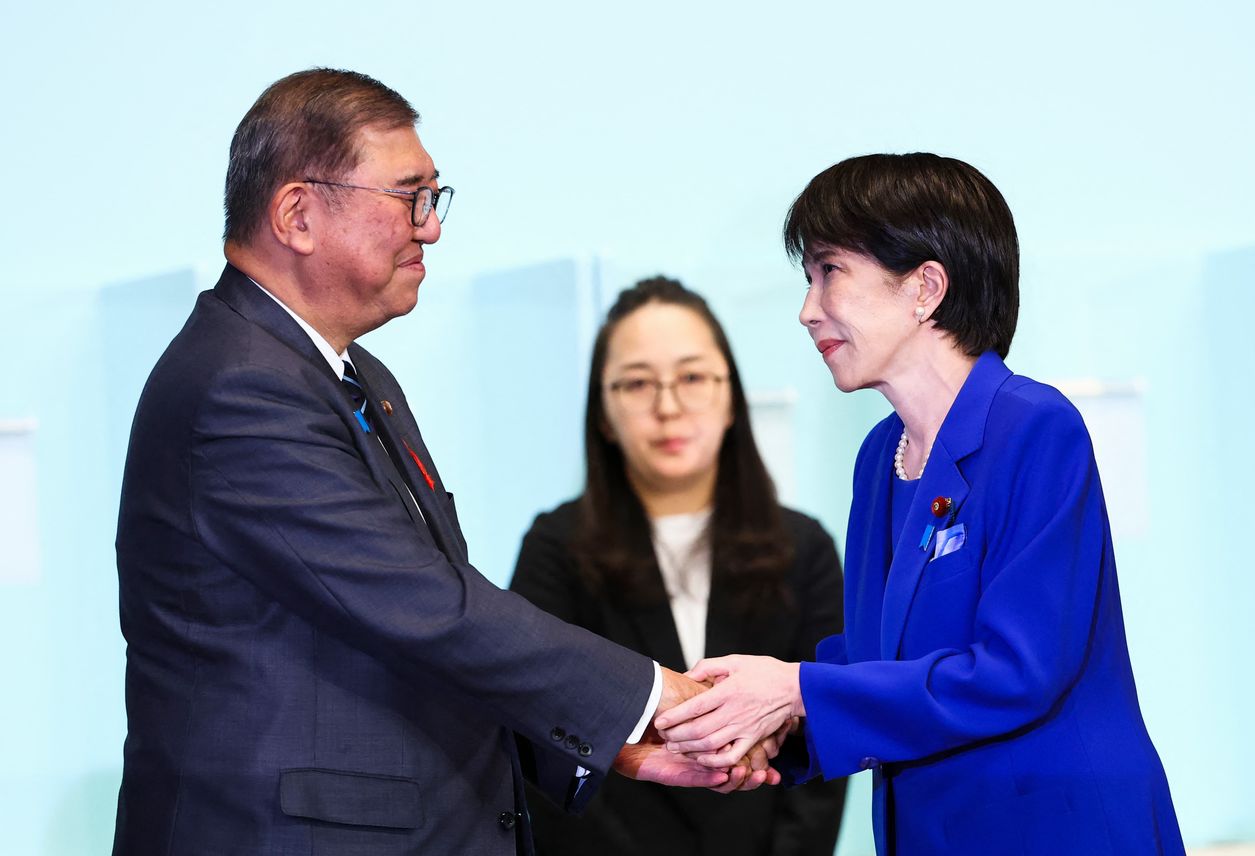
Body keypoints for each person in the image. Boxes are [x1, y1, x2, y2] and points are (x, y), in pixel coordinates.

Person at [112, 68, 774, 856]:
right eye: (409, 197)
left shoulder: (351, 375)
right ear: (297, 215)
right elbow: (424, 606)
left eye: (434, 198)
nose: (429, 229)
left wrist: (614, 741)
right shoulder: (241, 386)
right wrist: (653, 699)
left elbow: (411, 627)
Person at [655, 154, 1185, 854]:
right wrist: (758, 726)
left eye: (830, 271)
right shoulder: (882, 456)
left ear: (925, 288)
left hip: (1059, 829)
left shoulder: (1035, 428)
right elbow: (874, 659)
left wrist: (796, 690)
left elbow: (1015, 673)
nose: (807, 310)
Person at [510, 276, 848, 856]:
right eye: (637, 383)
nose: (667, 408)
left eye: (692, 378)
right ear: (604, 413)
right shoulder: (556, 547)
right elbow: (538, 734)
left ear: (731, 398)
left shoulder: (805, 548)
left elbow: (822, 747)